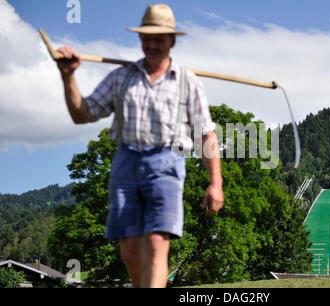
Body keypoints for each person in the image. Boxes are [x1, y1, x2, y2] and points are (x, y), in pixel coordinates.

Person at [56, 3, 224, 288]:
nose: (153, 44)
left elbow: (206, 134)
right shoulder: (121, 78)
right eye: (147, 37)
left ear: (172, 40)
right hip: (126, 162)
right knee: (130, 251)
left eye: (159, 38)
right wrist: (68, 75)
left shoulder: (188, 82)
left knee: (158, 242)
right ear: (140, 39)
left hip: (167, 162)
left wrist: (215, 182)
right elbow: (81, 114)